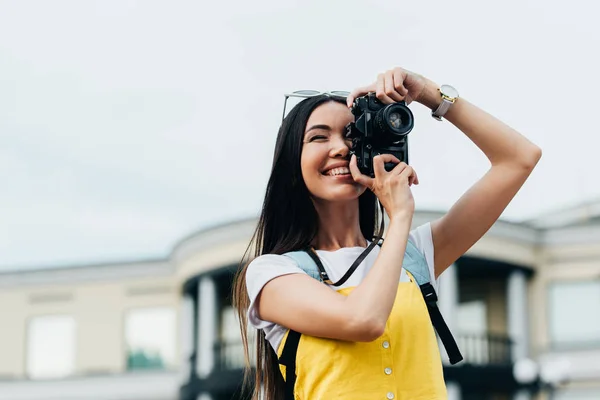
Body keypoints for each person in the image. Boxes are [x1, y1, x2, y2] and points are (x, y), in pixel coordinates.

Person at [232, 66, 542, 400]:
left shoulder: (413, 255)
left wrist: (427, 93)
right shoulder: (272, 272)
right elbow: (363, 321)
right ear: (292, 166)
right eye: (319, 137)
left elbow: (519, 158)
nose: (339, 147)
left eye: (351, 134)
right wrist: (400, 216)